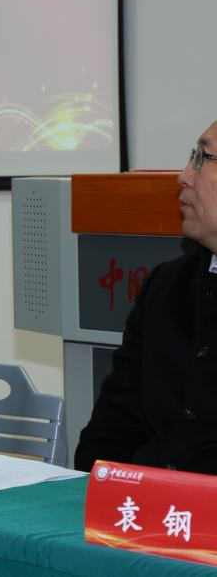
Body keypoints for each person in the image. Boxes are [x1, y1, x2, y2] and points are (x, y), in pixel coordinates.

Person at [75, 119, 217, 474]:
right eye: (191, 156)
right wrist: (105, 482)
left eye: (202, 158)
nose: (183, 176)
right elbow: (112, 423)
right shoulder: (167, 286)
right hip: (138, 499)